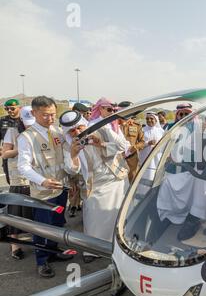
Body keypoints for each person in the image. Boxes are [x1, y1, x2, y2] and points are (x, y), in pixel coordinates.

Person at [60, 110, 130, 263]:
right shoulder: (67, 145)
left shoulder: (101, 129)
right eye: (72, 131)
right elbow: (72, 170)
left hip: (116, 179)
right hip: (94, 185)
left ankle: (118, 246)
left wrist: (101, 144)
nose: (77, 132)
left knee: (119, 215)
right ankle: (92, 250)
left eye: (79, 128)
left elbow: (124, 146)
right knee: (93, 217)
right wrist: (73, 154)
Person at [17, 96, 74, 278]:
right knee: (42, 227)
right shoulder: (26, 137)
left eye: (53, 115)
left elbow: (65, 158)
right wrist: (42, 181)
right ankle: (42, 261)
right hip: (43, 192)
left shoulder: (57, 131)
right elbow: (23, 167)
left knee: (57, 224)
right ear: (34, 113)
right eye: (45, 115)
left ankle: (53, 251)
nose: (50, 119)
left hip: (60, 188)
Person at [2, 106, 34, 260]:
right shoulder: (12, 131)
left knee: (36, 212)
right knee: (17, 211)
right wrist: (21, 149)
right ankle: (15, 245)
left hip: (37, 178)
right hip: (19, 179)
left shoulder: (40, 129)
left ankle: (41, 241)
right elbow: (5, 153)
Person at [118, 101, 146, 183]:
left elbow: (142, 142)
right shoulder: (115, 124)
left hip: (132, 160)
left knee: (132, 182)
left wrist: (135, 147)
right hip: (118, 158)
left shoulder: (137, 125)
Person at [0, 99, 23, 184]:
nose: (9, 111)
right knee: (11, 180)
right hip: (8, 156)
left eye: (12, 108)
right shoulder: (2, 121)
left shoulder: (24, 120)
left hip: (23, 154)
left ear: (19, 108)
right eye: (7, 109)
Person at [139, 112, 165, 180]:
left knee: (155, 176)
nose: (149, 120)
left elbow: (165, 145)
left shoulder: (161, 131)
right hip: (145, 158)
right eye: (147, 119)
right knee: (145, 176)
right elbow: (138, 144)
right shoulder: (142, 130)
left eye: (151, 118)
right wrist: (148, 143)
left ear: (156, 120)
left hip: (157, 158)